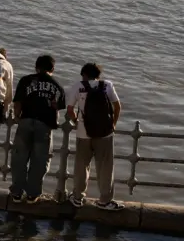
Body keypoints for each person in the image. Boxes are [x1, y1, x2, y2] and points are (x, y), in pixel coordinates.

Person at [66, 63, 124, 210]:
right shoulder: (107, 85)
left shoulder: (77, 86)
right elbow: (117, 106)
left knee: (81, 165)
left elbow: (70, 109)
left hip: (83, 132)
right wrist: (113, 124)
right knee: (105, 167)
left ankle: (78, 197)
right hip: (105, 133)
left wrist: (76, 121)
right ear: (98, 75)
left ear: (84, 74)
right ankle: (104, 201)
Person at [9, 55, 66, 203]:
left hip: (26, 121)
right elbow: (56, 107)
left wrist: (17, 117)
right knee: (40, 161)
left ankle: (16, 192)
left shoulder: (26, 80)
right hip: (45, 125)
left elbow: (18, 102)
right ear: (52, 68)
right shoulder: (57, 85)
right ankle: (32, 194)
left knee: (19, 158)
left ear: (36, 67)